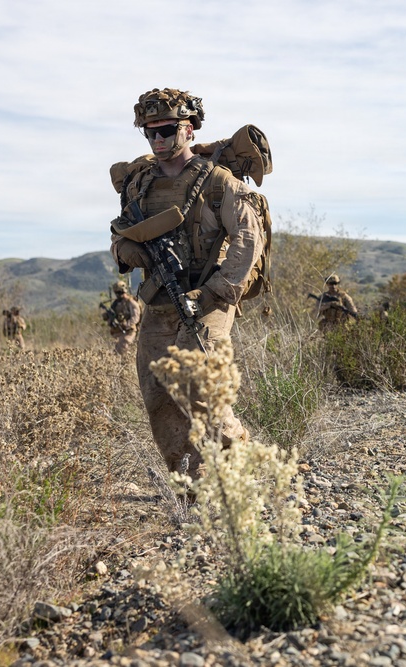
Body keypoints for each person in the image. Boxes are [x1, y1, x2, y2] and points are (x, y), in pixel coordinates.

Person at [108, 87, 264, 480]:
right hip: (160, 297)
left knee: (200, 383)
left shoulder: (218, 182)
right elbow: (119, 233)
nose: (158, 139)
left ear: (190, 130)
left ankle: (236, 467)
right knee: (157, 389)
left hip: (210, 296)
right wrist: (130, 251)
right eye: (151, 132)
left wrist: (211, 293)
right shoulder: (140, 184)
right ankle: (190, 480)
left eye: (168, 131)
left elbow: (248, 239)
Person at [102, 281, 142, 354]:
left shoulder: (131, 302)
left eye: (120, 292)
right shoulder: (116, 303)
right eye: (117, 293)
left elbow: (135, 317)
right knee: (115, 349)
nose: (118, 295)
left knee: (123, 347)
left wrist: (126, 325)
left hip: (129, 331)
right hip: (118, 331)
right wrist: (107, 317)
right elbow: (113, 315)